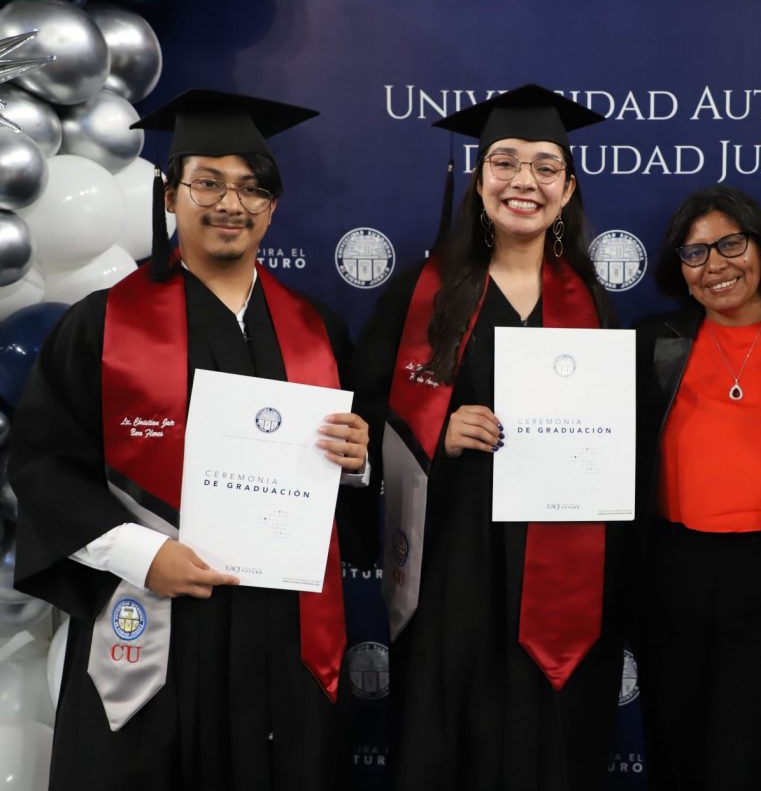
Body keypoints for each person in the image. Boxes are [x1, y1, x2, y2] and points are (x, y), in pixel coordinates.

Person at [10, 89, 370, 791]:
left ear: (272, 208)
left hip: (281, 626)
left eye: (251, 188)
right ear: (170, 195)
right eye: (208, 183)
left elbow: (346, 472)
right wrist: (147, 554)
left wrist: (355, 460)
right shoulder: (101, 324)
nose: (231, 203)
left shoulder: (318, 328)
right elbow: (45, 466)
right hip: (152, 616)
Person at [350, 84, 632, 791]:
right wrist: (435, 429)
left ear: (568, 190)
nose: (523, 182)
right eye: (504, 163)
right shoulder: (422, 292)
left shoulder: (592, 302)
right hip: (454, 555)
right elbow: (361, 414)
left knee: (547, 738)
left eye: (545, 167)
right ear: (479, 182)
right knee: (452, 728)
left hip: (557, 555)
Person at [635, 186, 761, 791]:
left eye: (730, 245)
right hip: (671, 569)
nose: (714, 265)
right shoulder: (649, 341)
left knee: (749, 750)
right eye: (694, 253)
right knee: (674, 742)